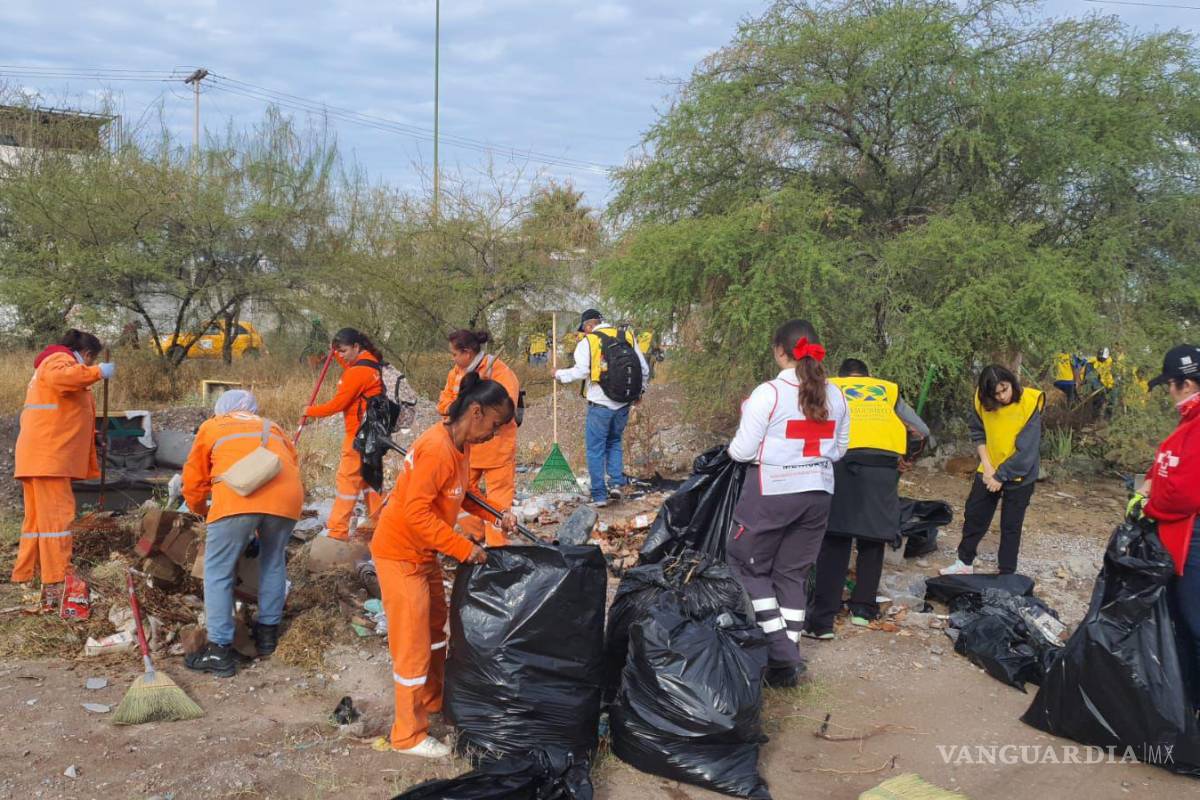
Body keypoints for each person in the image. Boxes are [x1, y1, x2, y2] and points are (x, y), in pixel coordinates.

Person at [371, 373, 517, 759]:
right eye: (496, 425)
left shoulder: (459, 445)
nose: (496, 434)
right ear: (476, 411)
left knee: (436, 632)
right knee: (413, 645)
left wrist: (497, 514)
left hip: (423, 555)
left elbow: (461, 493)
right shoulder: (436, 448)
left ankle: (433, 702)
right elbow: (417, 513)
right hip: (400, 555)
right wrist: (463, 549)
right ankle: (408, 734)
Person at [726, 320, 850, 687]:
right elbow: (839, 450)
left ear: (781, 350)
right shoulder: (838, 396)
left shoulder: (769, 393)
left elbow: (743, 450)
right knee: (791, 574)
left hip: (771, 492)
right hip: (818, 495)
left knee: (746, 565)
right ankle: (787, 663)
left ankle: (782, 652)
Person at [181, 391, 303, 677]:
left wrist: (201, 509)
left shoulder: (213, 426)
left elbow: (193, 478)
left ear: (221, 409)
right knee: (273, 561)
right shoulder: (271, 426)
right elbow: (291, 465)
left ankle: (219, 650)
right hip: (287, 500)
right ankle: (267, 636)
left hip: (237, 500)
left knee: (218, 571)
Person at [807, 358, 929, 638]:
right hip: (882, 466)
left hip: (842, 462)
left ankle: (823, 620)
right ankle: (863, 611)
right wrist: (907, 457)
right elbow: (922, 431)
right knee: (873, 538)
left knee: (836, 538)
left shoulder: (830, 386)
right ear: (867, 376)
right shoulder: (886, 390)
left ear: (842, 375)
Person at [11, 330, 115, 604]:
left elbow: (67, 415)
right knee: (58, 519)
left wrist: (93, 441)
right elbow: (63, 379)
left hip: (41, 456)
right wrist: (96, 373)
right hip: (50, 458)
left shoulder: (53, 363)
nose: (90, 364)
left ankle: (26, 575)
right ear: (86, 353)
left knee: (37, 522)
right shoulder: (59, 360)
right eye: (91, 359)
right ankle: (57, 579)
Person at [1137, 344, 1200, 712]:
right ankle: (1189, 702)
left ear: (1187, 383)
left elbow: (1187, 494)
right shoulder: (1189, 420)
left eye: (1170, 385)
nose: (1167, 392)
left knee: (1194, 622)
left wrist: (1151, 506)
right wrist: (1149, 480)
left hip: (1194, 539)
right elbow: (1171, 463)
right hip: (1184, 538)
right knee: (1183, 618)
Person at [941, 365, 1043, 576]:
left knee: (1011, 524)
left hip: (1020, 474)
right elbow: (978, 433)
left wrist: (1000, 476)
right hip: (989, 468)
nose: (1002, 396)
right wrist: (987, 467)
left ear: (1011, 382)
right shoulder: (981, 400)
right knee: (974, 515)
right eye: (996, 394)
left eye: (1004, 389)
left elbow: (1027, 452)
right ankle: (964, 562)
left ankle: (1006, 572)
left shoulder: (1030, 403)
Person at [554, 309, 650, 507]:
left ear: (589, 325)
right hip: (624, 402)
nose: (584, 333)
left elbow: (581, 372)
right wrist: (640, 392)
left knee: (595, 449)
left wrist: (558, 374)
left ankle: (599, 495)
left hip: (599, 404)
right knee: (614, 442)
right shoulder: (627, 336)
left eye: (584, 329)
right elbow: (644, 369)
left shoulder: (588, 342)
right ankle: (616, 484)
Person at [436, 329, 520, 547]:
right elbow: (443, 404)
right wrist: (458, 405)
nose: (453, 359)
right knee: (459, 495)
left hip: (497, 448)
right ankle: (476, 536)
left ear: (468, 352)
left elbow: (506, 412)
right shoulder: (456, 372)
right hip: (468, 447)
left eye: (454, 354)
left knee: (498, 502)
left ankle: (497, 551)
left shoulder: (500, 372)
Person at [302, 328, 387, 541]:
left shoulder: (357, 372)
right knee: (369, 480)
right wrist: (336, 355)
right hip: (373, 435)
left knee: (347, 484)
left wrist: (309, 411)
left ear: (357, 347)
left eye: (344, 351)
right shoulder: (372, 363)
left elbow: (338, 404)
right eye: (337, 352)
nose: (341, 355)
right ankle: (379, 522)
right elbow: (351, 367)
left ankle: (338, 532)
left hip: (358, 435)